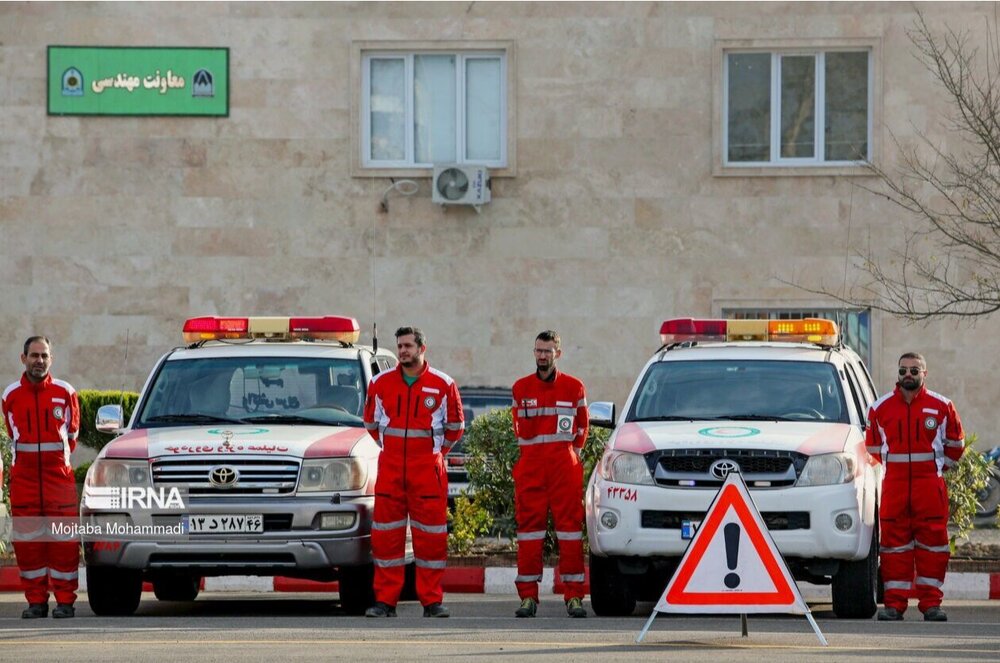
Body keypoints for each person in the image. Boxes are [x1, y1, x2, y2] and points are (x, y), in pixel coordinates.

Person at [362, 327, 464, 618]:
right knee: (386, 539)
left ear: (422, 348)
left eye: (408, 345)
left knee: (431, 540)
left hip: (427, 473)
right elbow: (371, 424)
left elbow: (456, 428)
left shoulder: (443, 384)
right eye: (400, 346)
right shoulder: (380, 383)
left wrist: (434, 453)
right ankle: (385, 602)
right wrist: (394, 450)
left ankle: (432, 602)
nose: (403, 350)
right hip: (391, 471)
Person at [866, 352, 965, 622]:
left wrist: (933, 470)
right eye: (903, 371)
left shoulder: (942, 406)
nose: (908, 375)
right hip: (895, 489)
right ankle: (894, 606)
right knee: (893, 549)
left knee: (933, 549)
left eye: (914, 370)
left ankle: (931, 605)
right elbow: (873, 448)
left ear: (925, 373)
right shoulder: (879, 408)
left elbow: (956, 448)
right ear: (897, 374)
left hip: (929, 490)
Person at [511, 330, 589, 618]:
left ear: (559, 352)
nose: (542, 355)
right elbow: (518, 430)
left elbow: (582, 427)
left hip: (563, 470)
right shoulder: (520, 388)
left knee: (570, 533)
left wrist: (572, 457)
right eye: (538, 350)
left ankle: (574, 597)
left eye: (547, 351)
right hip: (531, 469)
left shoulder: (574, 387)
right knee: (528, 534)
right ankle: (528, 598)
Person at [1, 337, 81, 619]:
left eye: (44, 355)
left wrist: (54, 463)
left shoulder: (65, 392)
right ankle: (36, 602)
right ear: (23, 359)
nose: (39, 360)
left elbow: (72, 437)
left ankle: (65, 602)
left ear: (52, 358)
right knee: (29, 545)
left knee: (63, 545)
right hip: (24, 482)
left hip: (58, 480)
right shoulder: (10, 395)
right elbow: (13, 436)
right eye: (34, 355)